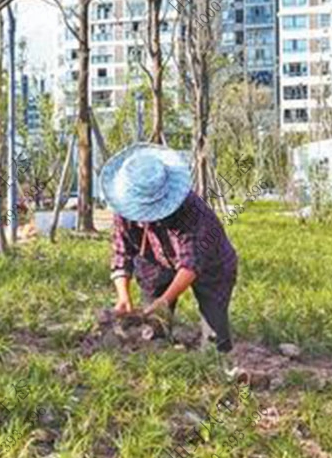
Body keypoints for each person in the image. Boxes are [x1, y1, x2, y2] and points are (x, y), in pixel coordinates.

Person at [101, 143, 238, 352]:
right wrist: (123, 297)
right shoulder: (125, 208)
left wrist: (165, 300)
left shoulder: (193, 212)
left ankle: (218, 350)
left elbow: (191, 263)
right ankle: (160, 345)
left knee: (215, 341)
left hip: (211, 264)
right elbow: (122, 253)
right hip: (155, 261)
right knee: (154, 328)